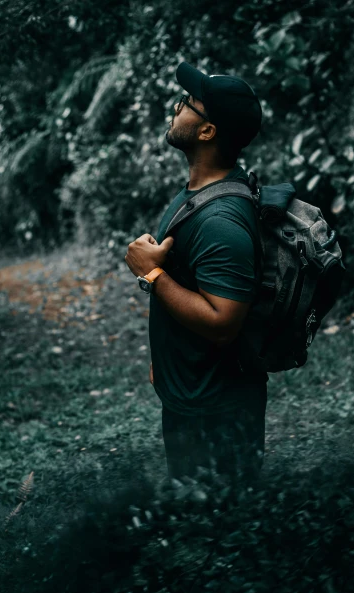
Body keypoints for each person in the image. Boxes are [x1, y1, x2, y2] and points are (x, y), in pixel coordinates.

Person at [124, 61, 267, 492]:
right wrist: (166, 361)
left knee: (218, 533)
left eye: (187, 103)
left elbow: (223, 322)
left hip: (216, 410)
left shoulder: (220, 219)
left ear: (207, 132)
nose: (176, 107)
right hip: (194, 392)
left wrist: (151, 273)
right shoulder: (198, 195)